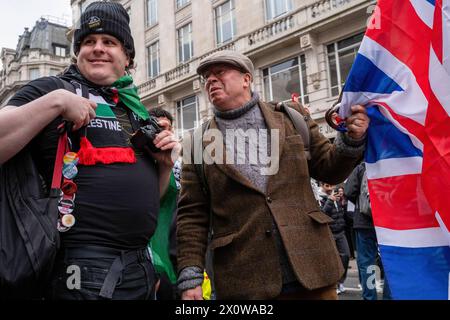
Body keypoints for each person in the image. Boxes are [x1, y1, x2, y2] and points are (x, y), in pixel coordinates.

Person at [0, 2, 179, 300]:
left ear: (128, 58)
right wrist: (56, 102)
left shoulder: (135, 110)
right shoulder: (53, 88)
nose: (97, 48)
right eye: (88, 42)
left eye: (109, 42)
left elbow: (152, 198)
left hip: (140, 268)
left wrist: (163, 167)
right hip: (78, 269)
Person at [176, 50, 370, 300]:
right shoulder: (196, 143)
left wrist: (351, 140)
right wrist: (190, 275)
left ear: (246, 79)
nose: (210, 80)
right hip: (245, 281)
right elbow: (192, 214)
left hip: (313, 270)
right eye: (206, 77)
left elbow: (330, 169)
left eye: (220, 72)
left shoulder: (291, 118)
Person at [344, 162, 391, 300]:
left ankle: (370, 297)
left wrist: (362, 204)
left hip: (364, 222)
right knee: (389, 261)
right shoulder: (391, 163)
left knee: (367, 263)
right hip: (387, 223)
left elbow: (349, 191)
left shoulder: (362, 166)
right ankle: (389, 297)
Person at [147, 107, 179, 300]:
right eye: (158, 129)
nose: (164, 134)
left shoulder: (180, 166)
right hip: (153, 263)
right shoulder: (140, 165)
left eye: (168, 128)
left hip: (178, 261)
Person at [318, 182, 350, 295]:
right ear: (321, 185)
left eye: (331, 184)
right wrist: (330, 200)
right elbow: (322, 214)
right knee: (331, 260)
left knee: (345, 256)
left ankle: (341, 281)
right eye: (327, 185)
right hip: (329, 233)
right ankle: (334, 284)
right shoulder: (318, 197)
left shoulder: (336, 195)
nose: (330, 186)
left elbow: (343, 213)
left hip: (341, 232)